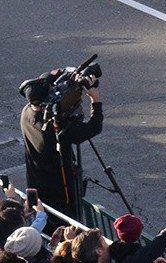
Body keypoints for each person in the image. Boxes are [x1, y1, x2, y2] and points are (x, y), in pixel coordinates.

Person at [20, 67, 104, 217]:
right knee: (66, 230)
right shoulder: (56, 128)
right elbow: (94, 127)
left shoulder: (27, 112)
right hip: (62, 195)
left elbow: (48, 82)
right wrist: (95, 99)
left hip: (39, 187)